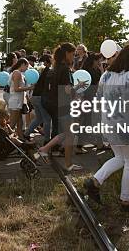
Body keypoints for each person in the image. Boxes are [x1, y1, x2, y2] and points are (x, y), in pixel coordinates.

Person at [83, 45, 129, 209]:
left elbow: (98, 98)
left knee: (120, 157)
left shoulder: (106, 75)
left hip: (109, 121)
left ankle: (95, 181)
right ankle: (125, 200)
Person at [37, 42, 86, 172]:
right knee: (69, 135)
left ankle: (45, 149)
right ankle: (68, 164)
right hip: (64, 105)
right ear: (66, 53)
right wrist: (79, 87)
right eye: (72, 54)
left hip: (57, 104)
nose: (73, 57)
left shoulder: (56, 67)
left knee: (67, 133)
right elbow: (67, 89)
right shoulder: (64, 68)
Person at [25, 54, 53, 142]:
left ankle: (26, 134)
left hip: (35, 97)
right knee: (47, 119)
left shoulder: (43, 71)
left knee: (39, 118)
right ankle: (47, 140)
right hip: (41, 97)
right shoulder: (49, 71)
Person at [8, 58, 34, 138]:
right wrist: (29, 88)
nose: (27, 69)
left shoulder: (18, 73)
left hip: (18, 101)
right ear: (22, 64)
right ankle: (3, 139)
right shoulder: (17, 73)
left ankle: (21, 140)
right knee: (13, 123)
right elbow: (16, 88)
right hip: (15, 101)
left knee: (20, 123)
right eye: (26, 66)